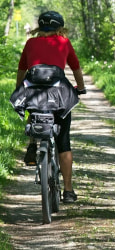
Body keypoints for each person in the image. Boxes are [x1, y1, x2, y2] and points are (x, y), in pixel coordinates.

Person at [16, 11, 86, 203]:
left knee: (34, 107)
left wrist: (18, 89)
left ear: (40, 27)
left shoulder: (30, 43)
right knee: (64, 141)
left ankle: (32, 143)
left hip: (33, 92)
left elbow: (22, 70)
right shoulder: (64, 42)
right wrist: (81, 88)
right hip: (59, 94)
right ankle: (69, 191)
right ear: (59, 27)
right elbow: (76, 68)